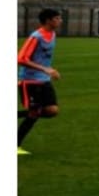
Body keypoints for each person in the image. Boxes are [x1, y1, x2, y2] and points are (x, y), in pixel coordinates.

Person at [17, 8, 63, 154]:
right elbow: (21, 59)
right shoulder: (36, 37)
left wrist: (47, 71)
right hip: (30, 81)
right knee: (34, 114)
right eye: (57, 18)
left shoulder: (53, 34)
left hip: (44, 80)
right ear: (48, 20)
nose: (60, 21)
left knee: (52, 111)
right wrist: (45, 69)